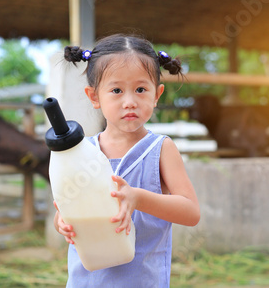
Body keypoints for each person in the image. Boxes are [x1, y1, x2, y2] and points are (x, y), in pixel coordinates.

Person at [55, 34, 200, 287]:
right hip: (86, 281)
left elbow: (191, 212)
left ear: (157, 94)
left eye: (141, 89)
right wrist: (64, 221)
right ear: (94, 97)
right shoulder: (81, 152)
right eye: (116, 90)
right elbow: (68, 206)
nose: (130, 101)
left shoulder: (160, 149)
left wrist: (138, 198)